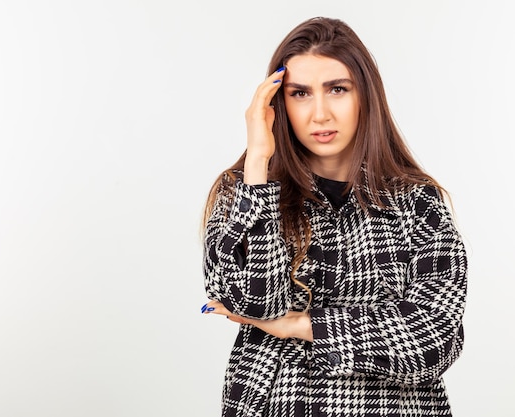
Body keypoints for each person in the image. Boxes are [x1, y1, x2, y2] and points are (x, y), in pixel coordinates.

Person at [200, 16, 467, 417]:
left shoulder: (417, 201)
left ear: (365, 96)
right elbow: (253, 303)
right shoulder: (242, 191)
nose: (320, 114)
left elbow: (435, 339)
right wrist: (258, 162)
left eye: (337, 89)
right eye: (300, 93)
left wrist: (302, 326)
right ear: (277, 103)